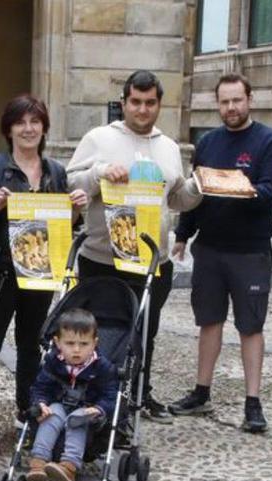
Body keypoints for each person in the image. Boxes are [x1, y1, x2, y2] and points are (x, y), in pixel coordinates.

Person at [65, 70, 199, 423]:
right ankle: (96, 399)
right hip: (102, 259)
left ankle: (140, 395)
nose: (142, 109)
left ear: (159, 105)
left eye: (150, 103)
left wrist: (199, 186)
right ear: (123, 103)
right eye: (135, 102)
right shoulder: (98, 138)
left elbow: (178, 200)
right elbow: (70, 183)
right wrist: (98, 172)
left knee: (145, 333)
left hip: (153, 261)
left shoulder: (169, 147)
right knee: (100, 333)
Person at [168, 73, 272, 433]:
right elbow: (195, 194)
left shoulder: (269, 142)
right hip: (210, 248)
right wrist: (184, 234)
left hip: (250, 251)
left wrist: (240, 187)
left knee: (251, 326)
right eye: (224, 102)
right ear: (217, 104)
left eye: (237, 100)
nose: (231, 108)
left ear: (250, 100)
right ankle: (201, 393)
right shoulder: (208, 143)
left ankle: (253, 402)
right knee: (208, 322)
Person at [0, 94, 85, 444]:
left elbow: (64, 226)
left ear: (44, 127)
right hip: (1, 271)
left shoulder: (55, 172)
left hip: (40, 271)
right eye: (21, 122)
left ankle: (27, 410)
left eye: (35, 122)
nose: (28, 129)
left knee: (31, 344)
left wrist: (74, 209)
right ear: (9, 129)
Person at [26, 308, 118, 481]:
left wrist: (99, 409)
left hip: (87, 410)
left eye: (84, 344)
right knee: (51, 416)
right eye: (70, 343)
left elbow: (110, 396)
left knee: (77, 421)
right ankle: (38, 462)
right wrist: (41, 403)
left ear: (94, 344)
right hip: (58, 404)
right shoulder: (53, 362)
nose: (77, 350)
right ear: (57, 343)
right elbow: (40, 387)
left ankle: (69, 467)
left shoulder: (102, 367)